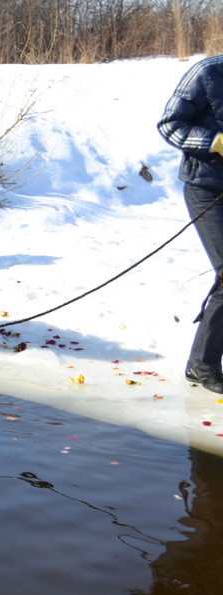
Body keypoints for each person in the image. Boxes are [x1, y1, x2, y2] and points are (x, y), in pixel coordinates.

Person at [158, 55, 223, 394]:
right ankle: (203, 365)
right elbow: (170, 124)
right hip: (207, 188)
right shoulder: (207, 73)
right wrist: (215, 142)